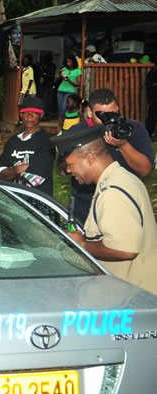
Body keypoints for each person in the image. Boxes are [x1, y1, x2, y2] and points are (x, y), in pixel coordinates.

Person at [58, 128, 157, 294]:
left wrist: (81, 245)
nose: (69, 171)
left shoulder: (112, 191)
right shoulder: (122, 178)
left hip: (132, 299)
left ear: (89, 158)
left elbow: (125, 250)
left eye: (70, 164)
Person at [61, 88, 154, 225]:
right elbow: (63, 169)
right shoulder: (77, 132)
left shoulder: (132, 129)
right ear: (89, 112)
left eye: (114, 113)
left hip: (123, 200)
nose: (109, 119)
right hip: (85, 203)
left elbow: (145, 169)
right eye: (103, 115)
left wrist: (123, 145)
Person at [0, 97, 55, 195]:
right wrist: (19, 169)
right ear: (21, 115)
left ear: (41, 115)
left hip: (39, 200)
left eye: (34, 113)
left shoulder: (47, 141)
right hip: (15, 199)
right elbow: (0, 175)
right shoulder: (12, 141)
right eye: (25, 113)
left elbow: (36, 178)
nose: (29, 117)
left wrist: (11, 171)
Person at [56, 55, 81, 131]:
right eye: (67, 61)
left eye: (69, 61)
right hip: (61, 90)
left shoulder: (78, 71)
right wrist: (59, 74)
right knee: (60, 108)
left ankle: (64, 125)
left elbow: (79, 84)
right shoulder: (64, 69)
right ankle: (60, 126)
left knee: (64, 108)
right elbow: (56, 79)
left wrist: (68, 80)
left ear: (73, 62)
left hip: (70, 91)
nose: (68, 63)